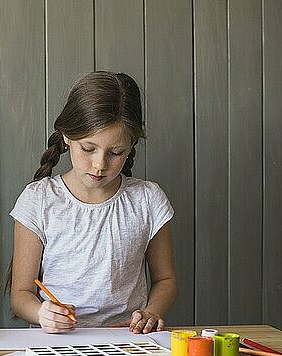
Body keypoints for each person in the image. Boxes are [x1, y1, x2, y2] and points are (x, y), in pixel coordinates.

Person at [9, 71, 177, 334]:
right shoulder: (39, 200)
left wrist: (151, 313)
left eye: (116, 152)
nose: (100, 165)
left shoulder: (147, 200)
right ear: (66, 136)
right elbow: (20, 294)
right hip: (58, 343)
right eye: (88, 149)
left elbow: (166, 280)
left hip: (128, 342)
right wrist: (42, 313)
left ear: (131, 145)